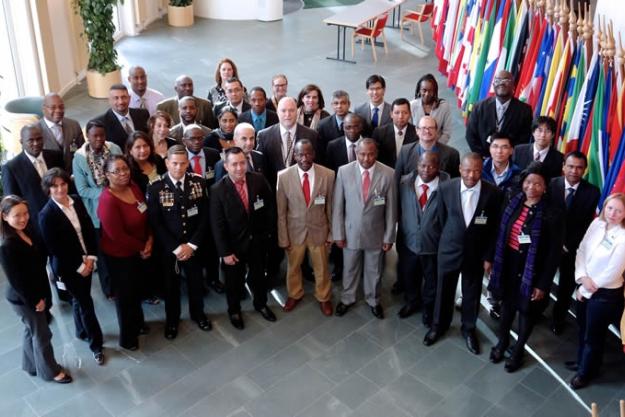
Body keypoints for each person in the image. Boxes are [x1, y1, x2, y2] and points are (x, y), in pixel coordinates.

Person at [487, 162, 564, 372]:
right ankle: (502, 342)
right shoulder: (513, 200)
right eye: (529, 182)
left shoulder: (552, 213)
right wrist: (492, 259)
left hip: (533, 270)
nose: (532, 187)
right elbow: (499, 231)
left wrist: (542, 284)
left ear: (545, 187)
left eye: (538, 184)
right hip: (508, 263)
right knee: (506, 307)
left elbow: (553, 253)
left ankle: (519, 350)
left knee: (527, 311)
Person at [424, 153, 502, 354]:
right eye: (467, 170)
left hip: (475, 254)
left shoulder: (493, 193)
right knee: (444, 291)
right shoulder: (446, 188)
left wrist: (488, 256)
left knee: (472, 294)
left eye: (477, 170)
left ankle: (468, 330)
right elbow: (440, 219)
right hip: (449, 250)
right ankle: (438, 327)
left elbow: (494, 228)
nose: (472, 175)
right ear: (460, 169)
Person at [0, 195, 72, 383]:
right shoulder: (7, 244)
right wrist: (35, 300)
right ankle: (51, 372)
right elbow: (17, 280)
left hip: (37, 288)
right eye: (17, 215)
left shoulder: (27, 231)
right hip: (24, 297)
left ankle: (31, 365)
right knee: (42, 333)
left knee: (30, 329)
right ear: (5, 216)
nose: (23, 218)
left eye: (25, 213)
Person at [39, 168, 105, 365]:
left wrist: (91, 258)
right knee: (86, 304)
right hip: (69, 268)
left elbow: (87, 229)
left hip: (87, 259)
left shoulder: (75, 200)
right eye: (55, 186)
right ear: (48, 189)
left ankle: (81, 331)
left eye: (63, 184)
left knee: (79, 299)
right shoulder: (46, 215)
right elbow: (55, 249)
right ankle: (97, 345)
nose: (60, 189)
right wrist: (80, 266)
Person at [147, 145, 213, 339]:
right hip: (170, 250)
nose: (178, 167)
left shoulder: (198, 182)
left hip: (193, 246)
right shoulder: (156, 187)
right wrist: (176, 248)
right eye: (174, 163)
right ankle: (172, 320)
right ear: (167, 163)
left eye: (183, 163)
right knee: (171, 287)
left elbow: (204, 216)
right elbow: (156, 222)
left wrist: (192, 245)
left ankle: (198, 314)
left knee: (196, 283)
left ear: (188, 163)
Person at [210, 147, 277, 330]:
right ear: (226, 166)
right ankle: (234, 311)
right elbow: (217, 225)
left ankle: (261, 304)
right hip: (233, 247)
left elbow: (270, 207)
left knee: (258, 278)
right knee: (233, 283)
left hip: (257, 242)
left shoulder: (258, 180)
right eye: (234, 164)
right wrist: (225, 252)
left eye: (242, 163)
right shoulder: (217, 190)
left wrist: (268, 234)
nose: (239, 168)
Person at [332, 138, 397, 319]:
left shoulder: (388, 173)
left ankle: (373, 300)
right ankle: (347, 298)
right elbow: (337, 206)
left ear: (376, 154)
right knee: (350, 268)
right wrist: (338, 233)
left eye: (370, 154)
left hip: (376, 233)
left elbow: (392, 208)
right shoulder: (344, 172)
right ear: (356, 153)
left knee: (374, 270)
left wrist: (389, 237)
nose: (366, 158)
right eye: (362, 154)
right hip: (350, 232)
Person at [569, 193, 625, 389]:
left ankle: (585, 373)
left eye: (619, 210)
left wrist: (585, 289)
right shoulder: (596, 225)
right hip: (585, 286)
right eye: (610, 208)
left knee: (593, 335)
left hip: (605, 295)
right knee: (583, 329)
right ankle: (583, 362)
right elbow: (581, 250)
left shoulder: (623, 236)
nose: (613, 213)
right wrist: (582, 277)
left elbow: (613, 271)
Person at [97, 155, 152, 350]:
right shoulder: (107, 200)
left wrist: (149, 240)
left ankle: (139, 324)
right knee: (125, 298)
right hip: (119, 257)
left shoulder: (134, 187)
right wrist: (142, 247)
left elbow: (146, 214)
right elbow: (116, 236)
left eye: (125, 169)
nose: (123, 173)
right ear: (107, 175)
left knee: (136, 291)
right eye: (116, 171)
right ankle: (127, 338)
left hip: (139, 250)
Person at [277, 140, 335, 316]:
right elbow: (281, 211)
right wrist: (283, 238)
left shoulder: (328, 175)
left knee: (322, 268)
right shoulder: (283, 176)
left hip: (320, 231)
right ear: (294, 155)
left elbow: (331, 207)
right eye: (300, 154)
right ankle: (294, 294)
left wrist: (331, 234)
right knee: (293, 267)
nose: (305, 158)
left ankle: (324, 297)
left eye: (308, 153)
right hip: (294, 233)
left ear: (314, 154)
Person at [549, 152, 600, 334]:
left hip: (573, 248)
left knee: (566, 287)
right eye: (570, 166)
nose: (574, 171)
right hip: (549, 245)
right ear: (563, 166)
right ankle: (535, 311)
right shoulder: (550, 184)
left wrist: (568, 243)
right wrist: (557, 240)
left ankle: (558, 319)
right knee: (543, 280)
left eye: (579, 167)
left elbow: (586, 224)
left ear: (584, 170)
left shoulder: (593, 192)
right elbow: (546, 218)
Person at [397, 151, 449, 325]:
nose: (426, 170)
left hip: (433, 246)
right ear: (417, 165)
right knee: (410, 276)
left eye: (432, 166)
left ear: (439, 167)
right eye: (422, 165)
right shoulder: (404, 183)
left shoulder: (448, 187)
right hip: (409, 243)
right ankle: (412, 302)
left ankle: (428, 309)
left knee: (431, 281)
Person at [73, 120, 123, 297]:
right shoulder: (79, 158)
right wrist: (107, 193)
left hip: (120, 207)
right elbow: (82, 190)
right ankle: (109, 289)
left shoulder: (115, 149)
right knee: (104, 254)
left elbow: (124, 173)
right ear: (87, 136)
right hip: (97, 214)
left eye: (102, 135)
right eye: (95, 136)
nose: (99, 139)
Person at [2, 124, 64, 234]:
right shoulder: (11, 168)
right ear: (21, 142)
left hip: (63, 217)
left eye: (39, 139)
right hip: (36, 226)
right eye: (30, 140)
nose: (36, 143)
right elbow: (12, 204)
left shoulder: (56, 156)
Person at [466, 70, 532, 157]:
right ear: (493, 85)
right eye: (497, 81)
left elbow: (523, 139)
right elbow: (470, 136)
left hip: (510, 161)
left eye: (506, 80)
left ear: (513, 85)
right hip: (483, 159)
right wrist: (485, 157)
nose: (501, 83)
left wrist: (506, 156)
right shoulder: (479, 107)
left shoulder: (524, 110)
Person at [257, 97, 319, 189]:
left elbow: (317, 164)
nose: (287, 114)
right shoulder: (264, 135)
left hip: (302, 190)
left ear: (297, 112)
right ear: (277, 112)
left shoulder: (311, 135)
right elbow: (261, 168)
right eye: (283, 111)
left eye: (291, 110)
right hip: (273, 190)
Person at [394, 116, 460, 184]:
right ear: (417, 130)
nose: (427, 131)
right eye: (423, 128)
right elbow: (397, 179)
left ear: (436, 131)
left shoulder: (452, 155)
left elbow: (455, 185)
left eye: (431, 128)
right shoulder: (405, 151)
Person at [39, 92, 85, 173]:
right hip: (50, 179)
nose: (58, 110)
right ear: (44, 109)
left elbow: (82, 151)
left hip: (73, 175)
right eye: (53, 107)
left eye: (61, 107)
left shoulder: (74, 125)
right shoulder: (36, 131)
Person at [94, 84, 150, 150]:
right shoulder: (100, 123)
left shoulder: (143, 114)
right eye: (116, 98)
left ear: (129, 98)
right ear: (109, 100)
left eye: (124, 97)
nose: (121, 102)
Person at [513, 116, 564, 181]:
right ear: (533, 132)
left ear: (553, 135)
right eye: (539, 130)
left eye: (547, 131)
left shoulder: (559, 158)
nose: (543, 135)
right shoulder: (518, 151)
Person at [372, 98, 418, 168]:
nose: (400, 116)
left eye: (405, 113)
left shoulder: (417, 133)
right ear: (391, 114)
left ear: (409, 114)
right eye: (397, 113)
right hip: (386, 172)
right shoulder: (379, 133)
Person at [410, 74, 452, 144]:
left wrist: (436, 147)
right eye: (424, 90)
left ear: (435, 91)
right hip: (417, 147)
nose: (427, 94)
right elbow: (409, 131)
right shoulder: (412, 105)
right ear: (419, 90)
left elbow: (447, 132)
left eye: (430, 91)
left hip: (437, 147)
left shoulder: (444, 106)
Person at [316, 90, 351, 165]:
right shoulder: (323, 125)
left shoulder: (359, 122)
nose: (339, 106)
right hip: (332, 168)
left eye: (343, 103)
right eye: (336, 103)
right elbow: (321, 153)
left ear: (349, 104)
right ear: (332, 105)